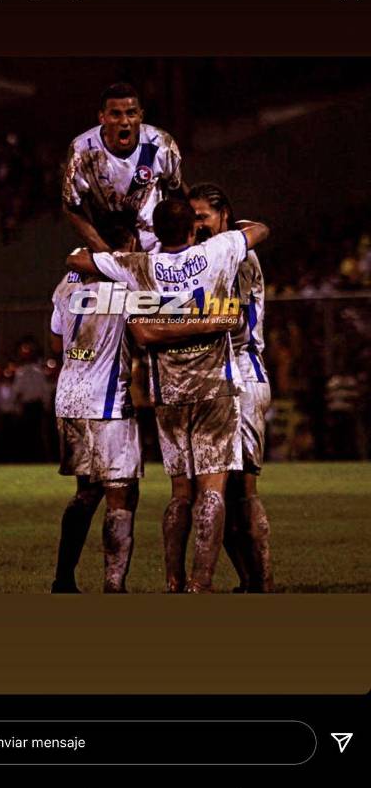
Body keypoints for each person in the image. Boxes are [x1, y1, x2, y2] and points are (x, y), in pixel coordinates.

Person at [67, 199, 269, 593]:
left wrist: (112, 256)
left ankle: (173, 580)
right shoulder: (217, 250)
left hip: (167, 392)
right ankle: (201, 582)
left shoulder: (139, 264)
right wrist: (208, 321)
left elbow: (77, 259)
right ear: (193, 229)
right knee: (212, 491)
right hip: (215, 387)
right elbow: (260, 230)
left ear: (155, 233)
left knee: (179, 493)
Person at [189, 183, 274, 593]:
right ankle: (251, 582)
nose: (197, 225)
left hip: (242, 375)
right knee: (220, 489)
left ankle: (262, 580)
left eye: (203, 216)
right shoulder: (217, 253)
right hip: (228, 377)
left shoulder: (234, 257)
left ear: (224, 215)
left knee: (239, 492)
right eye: (192, 218)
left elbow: (233, 322)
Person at [50, 228, 143, 594]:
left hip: (70, 397)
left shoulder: (66, 284)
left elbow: (57, 336)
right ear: (126, 244)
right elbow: (149, 333)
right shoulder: (126, 286)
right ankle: (113, 586)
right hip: (108, 404)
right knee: (122, 494)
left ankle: (63, 579)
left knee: (87, 492)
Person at [62, 81, 186, 254]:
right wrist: (104, 252)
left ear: (141, 116)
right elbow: (71, 207)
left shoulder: (160, 143)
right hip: (114, 250)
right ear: (102, 117)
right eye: (115, 114)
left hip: (159, 250)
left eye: (131, 113)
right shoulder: (82, 152)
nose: (125, 121)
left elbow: (177, 189)